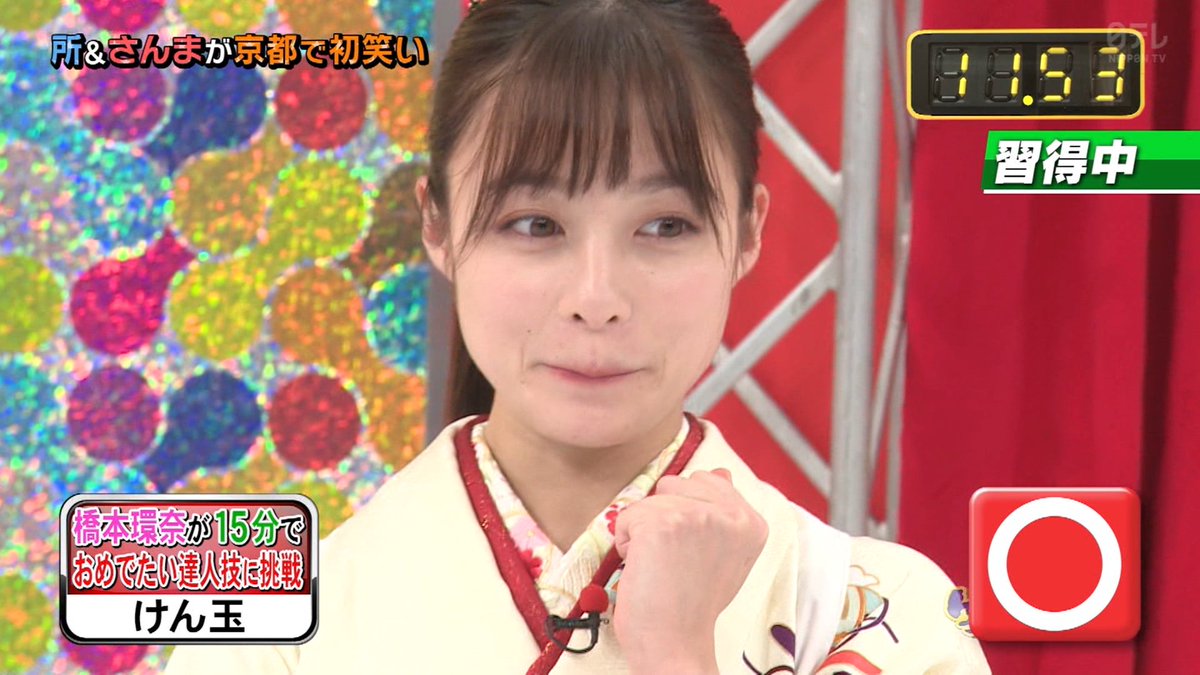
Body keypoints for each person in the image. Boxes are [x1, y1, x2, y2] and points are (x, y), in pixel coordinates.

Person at [166, 0, 991, 672]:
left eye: (664, 226)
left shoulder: (879, 616)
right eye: (535, 224)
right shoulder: (275, 630)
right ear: (437, 225)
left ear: (747, 233)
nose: (597, 300)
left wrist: (677, 654)